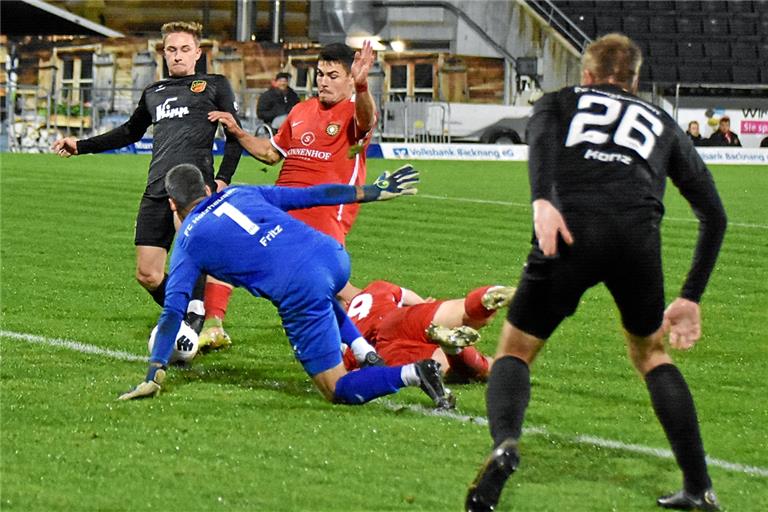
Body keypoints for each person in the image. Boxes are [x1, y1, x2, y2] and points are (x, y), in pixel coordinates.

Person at [466, 33, 727, 512]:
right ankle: (699, 486)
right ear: (635, 80)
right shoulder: (662, 121)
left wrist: (542, 199)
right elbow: (716, 215)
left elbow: (541, 140)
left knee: (516, 350)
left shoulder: (559, 101)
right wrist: (691, 295)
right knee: (651, 354)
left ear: (586, 75)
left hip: (567, 230)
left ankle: (505, 443)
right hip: (636, 238)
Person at [118, 163, 454, 410]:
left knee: (335, 388)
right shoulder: (240, 191)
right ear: (208, 190)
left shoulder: (187, 244)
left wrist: (154, 370)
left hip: (301, 285)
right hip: (332, 256)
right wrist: (372, 192)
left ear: (173, 205)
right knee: (320, 295)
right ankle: (366, 352)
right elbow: (310, 195)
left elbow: (173, 312)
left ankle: (414, 373)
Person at [51, 21, 242, 330]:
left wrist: (223, 179)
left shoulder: (215, 85)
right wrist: (81, 145)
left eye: (184, 49)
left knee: (192, 257)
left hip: (194, 188)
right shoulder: (154, 92)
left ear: (198, 53)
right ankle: (187, 315)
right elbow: (130, 131)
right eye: (171, 50)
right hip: (156, 188)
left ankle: (193, 324)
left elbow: (234, 136)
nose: (177, 56)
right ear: (163, 53)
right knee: (148, 274)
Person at [202, 41, 378, 349]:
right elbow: (272, 154)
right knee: (224, 243)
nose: (323, 81)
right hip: (280, 205)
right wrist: (239, 133)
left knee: (331, 288)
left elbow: (366, 119)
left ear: (351, 79)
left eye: (333, 75)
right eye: (320, 74)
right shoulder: (301, 110)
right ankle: (213, 325)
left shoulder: (354, 112)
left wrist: (362, 87)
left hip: (323, 212)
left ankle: (396, 316)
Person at [341, 281, 517, 383]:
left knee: (453, 368)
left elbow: (340, 377)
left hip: (381, 353)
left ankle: (453, 351)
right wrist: (423, 306)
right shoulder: (375, 289)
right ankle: (486, 296)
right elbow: (410, 297)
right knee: (463, 312)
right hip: (397, 318)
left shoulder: (336, 332)